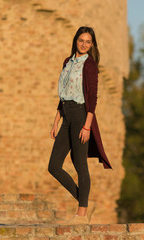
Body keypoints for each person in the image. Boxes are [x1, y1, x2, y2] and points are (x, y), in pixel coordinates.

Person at [48, 26, 112, 225]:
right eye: (81, 40)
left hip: (80, 116)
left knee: (80, 165)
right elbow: (63, 94)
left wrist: (87, 126)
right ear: (75, 40)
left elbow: (92, 98)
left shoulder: (90, 65)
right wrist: (55, 122)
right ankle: (83, 200)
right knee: (53, 166)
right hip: (66, 116)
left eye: (88, 41)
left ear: (92, 44)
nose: (84, 44)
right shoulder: (68, 62)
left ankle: (81, 214)